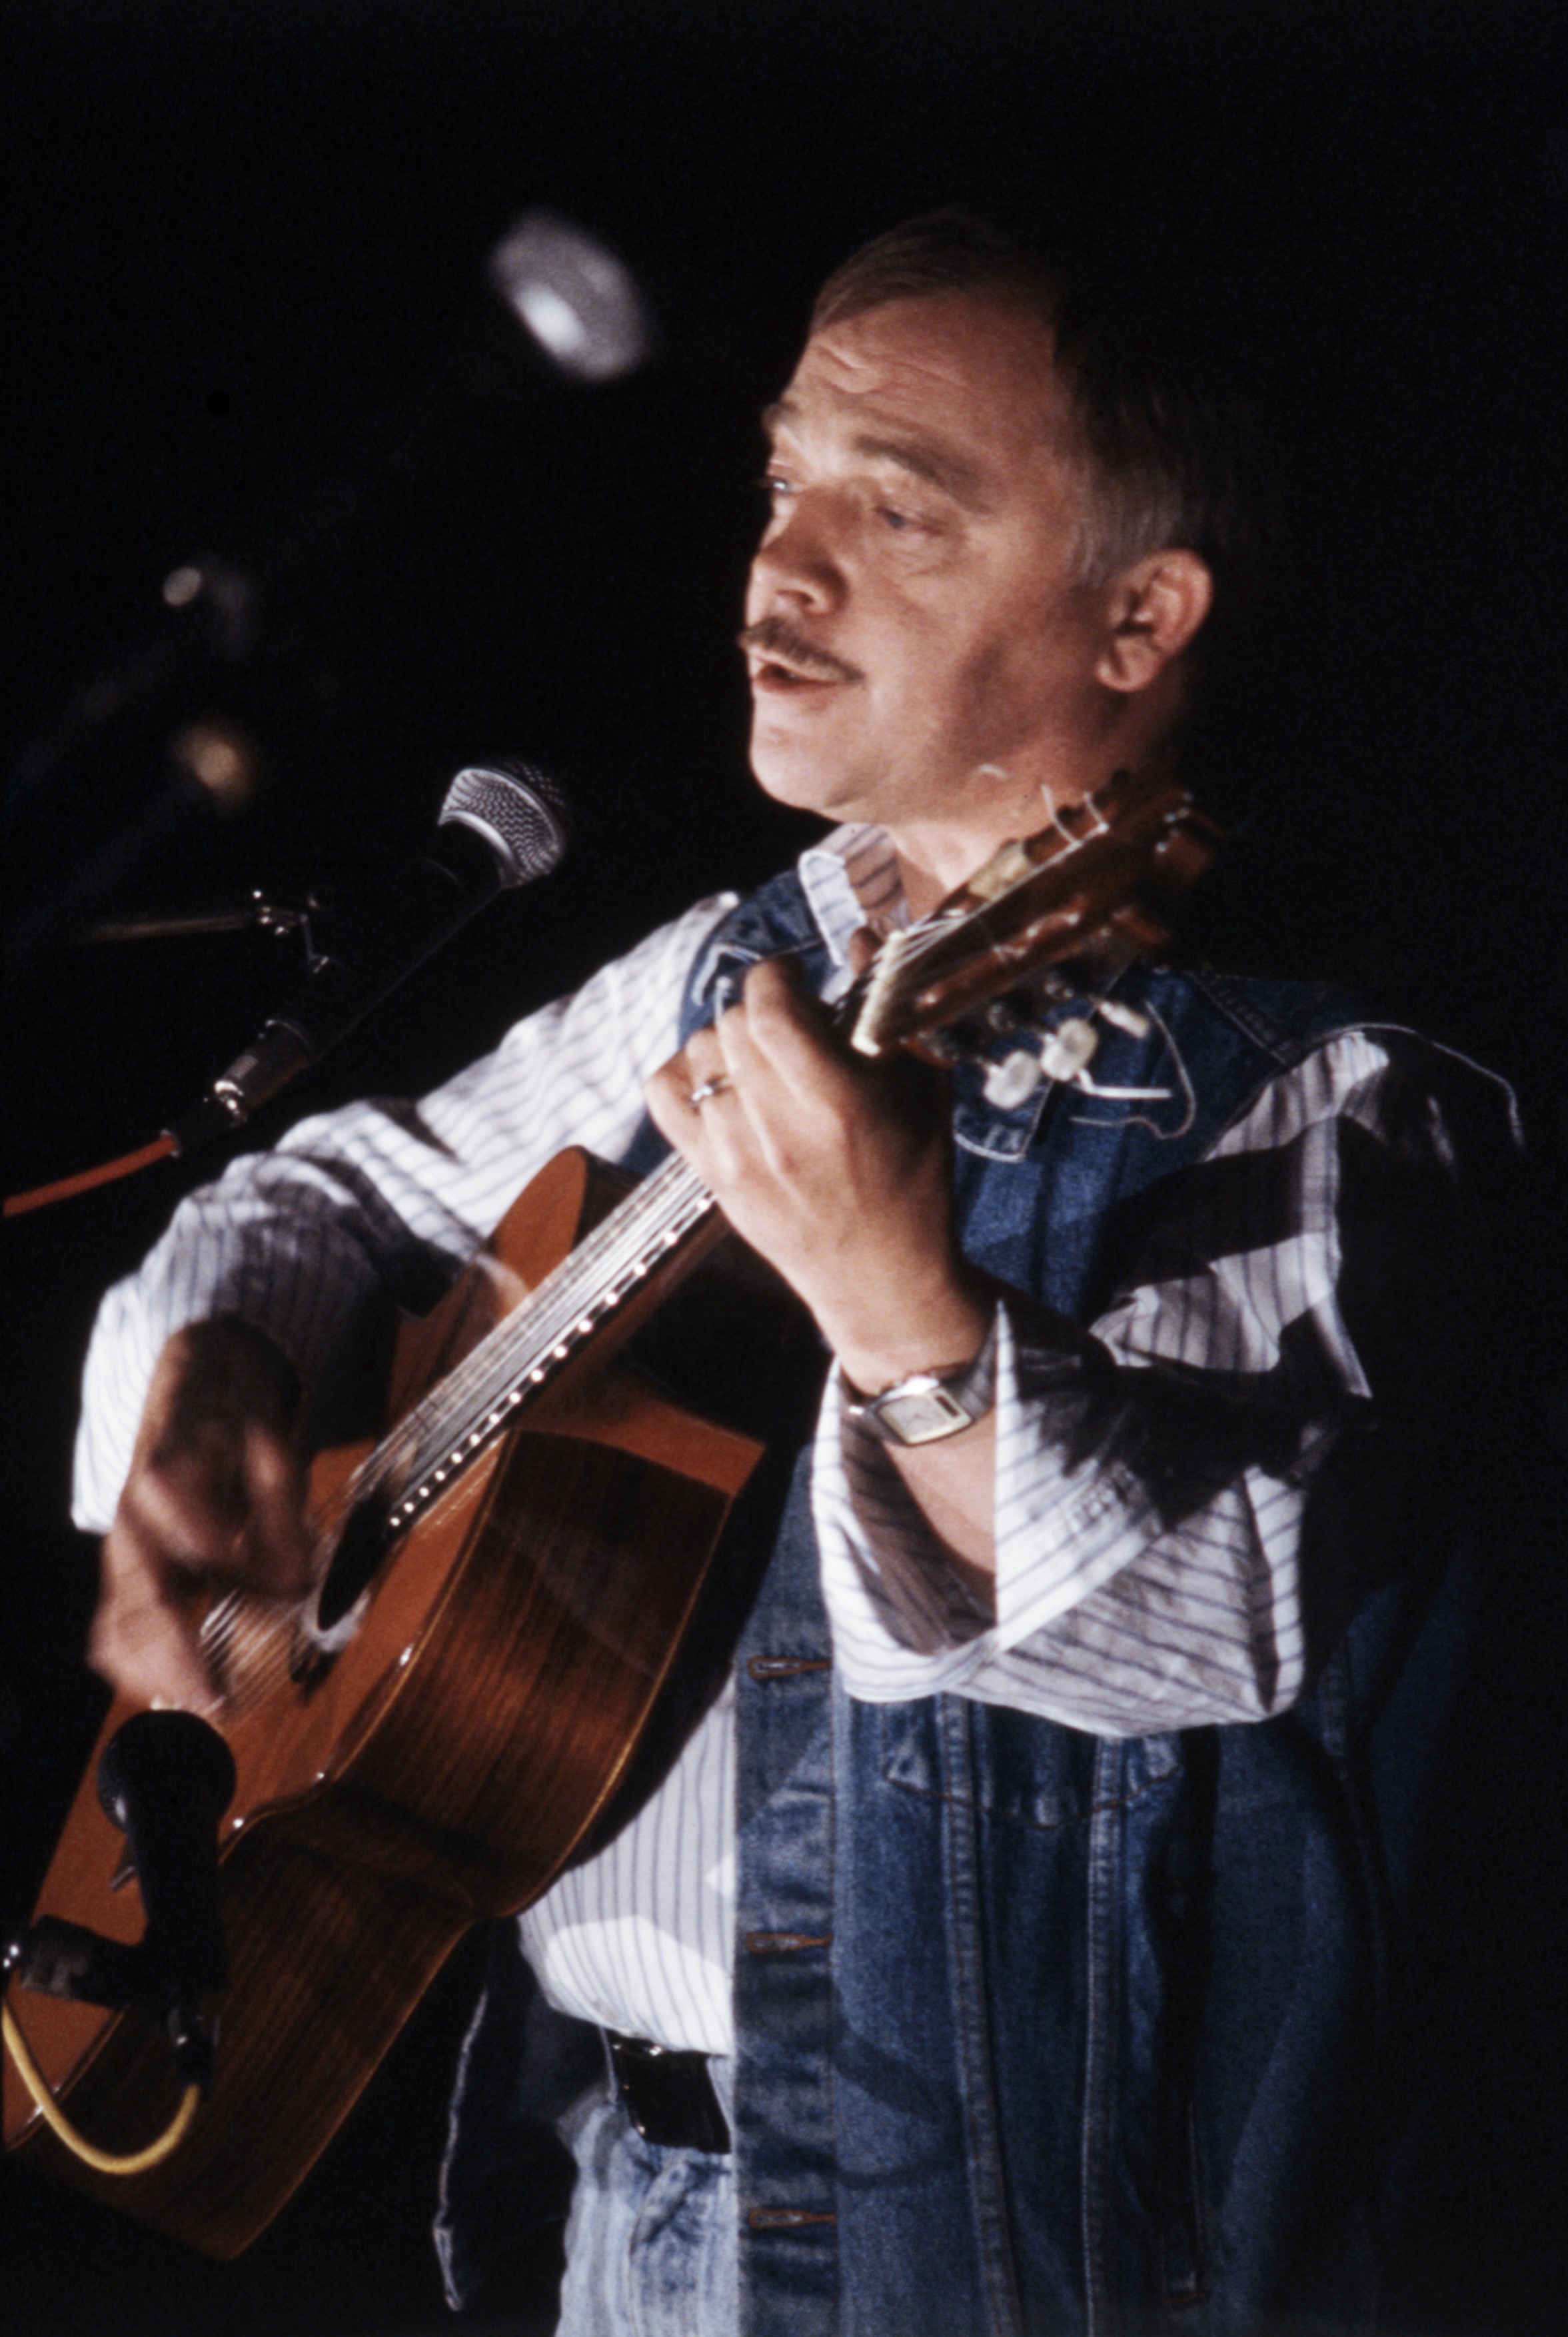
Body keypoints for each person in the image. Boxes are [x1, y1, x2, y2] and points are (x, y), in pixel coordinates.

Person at [73, 214, 1519, 2334]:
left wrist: (903, 1309)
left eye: (895, 510)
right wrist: (207, 1382)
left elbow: (1216, 1616)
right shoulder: (746, 957)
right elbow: (339, 1189)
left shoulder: (1322, 1087)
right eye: (781, 481)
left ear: (1137, 617)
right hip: (598, 2187)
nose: (781, 568)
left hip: (992, 2261)